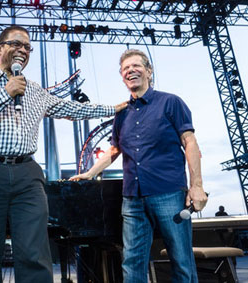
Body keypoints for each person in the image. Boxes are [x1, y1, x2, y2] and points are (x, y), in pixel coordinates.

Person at [0, 25, 127, 283]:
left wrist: (114, 108)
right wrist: (5, 93)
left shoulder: (35, 90)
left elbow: (73, 108)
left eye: (27, 47)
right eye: (16, 44)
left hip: (27, 175)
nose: (22, 50)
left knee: (35, 254)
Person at [70, 49, 208, 282]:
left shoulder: (170, 102)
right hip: (132, 199)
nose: (130, 70)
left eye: (136, 66)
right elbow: (114, 150)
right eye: (125, 69)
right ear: (122, 77)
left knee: (181, 260)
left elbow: (190, 142)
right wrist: (90, 173)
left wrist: (197, 186)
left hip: (169, 194)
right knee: (132, 263)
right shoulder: (121, 114)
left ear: (149, 71)